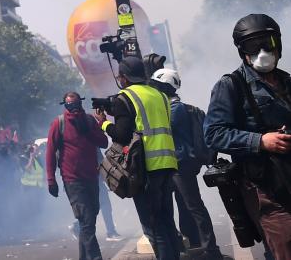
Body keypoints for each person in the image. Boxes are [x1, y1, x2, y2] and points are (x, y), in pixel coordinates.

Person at [204, 14, 291, 259]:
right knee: (284, 246)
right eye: (254, 45)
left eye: (268, 43)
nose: (263, 51)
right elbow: (213, 134)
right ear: (243, 51)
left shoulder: (287, 82)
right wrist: (261, 141)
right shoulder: (231, 85)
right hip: (265, 187)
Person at [94, 56, 181, 260]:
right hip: (168, 163)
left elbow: (122, 134)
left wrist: (103, 124)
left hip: (145, 168)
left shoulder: (125, 97)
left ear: (124, 78)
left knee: (154, 226)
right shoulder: (159, 94)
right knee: (167, 222)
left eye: (119, 76)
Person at [151, 68, 225, 259]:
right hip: (175, 164)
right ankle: (193, 243)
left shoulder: (175, 109)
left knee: (194, 206)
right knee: (184, 205)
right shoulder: (170, 106)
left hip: (180, 165)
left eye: (157, 86)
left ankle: (211, 249)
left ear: (164, 87)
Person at [47, 92, 109, 260]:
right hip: (72, 179)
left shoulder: (89, 121)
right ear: (65, 106)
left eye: (76, 105)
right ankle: (96, 257)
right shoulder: (58, 123)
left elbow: (103, 142)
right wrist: (51, 179)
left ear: (81, 104)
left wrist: (95, 127)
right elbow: (50, 152)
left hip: (92, 177)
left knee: (90, 218)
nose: (73, 109)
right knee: (86, 219)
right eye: (69, 106)